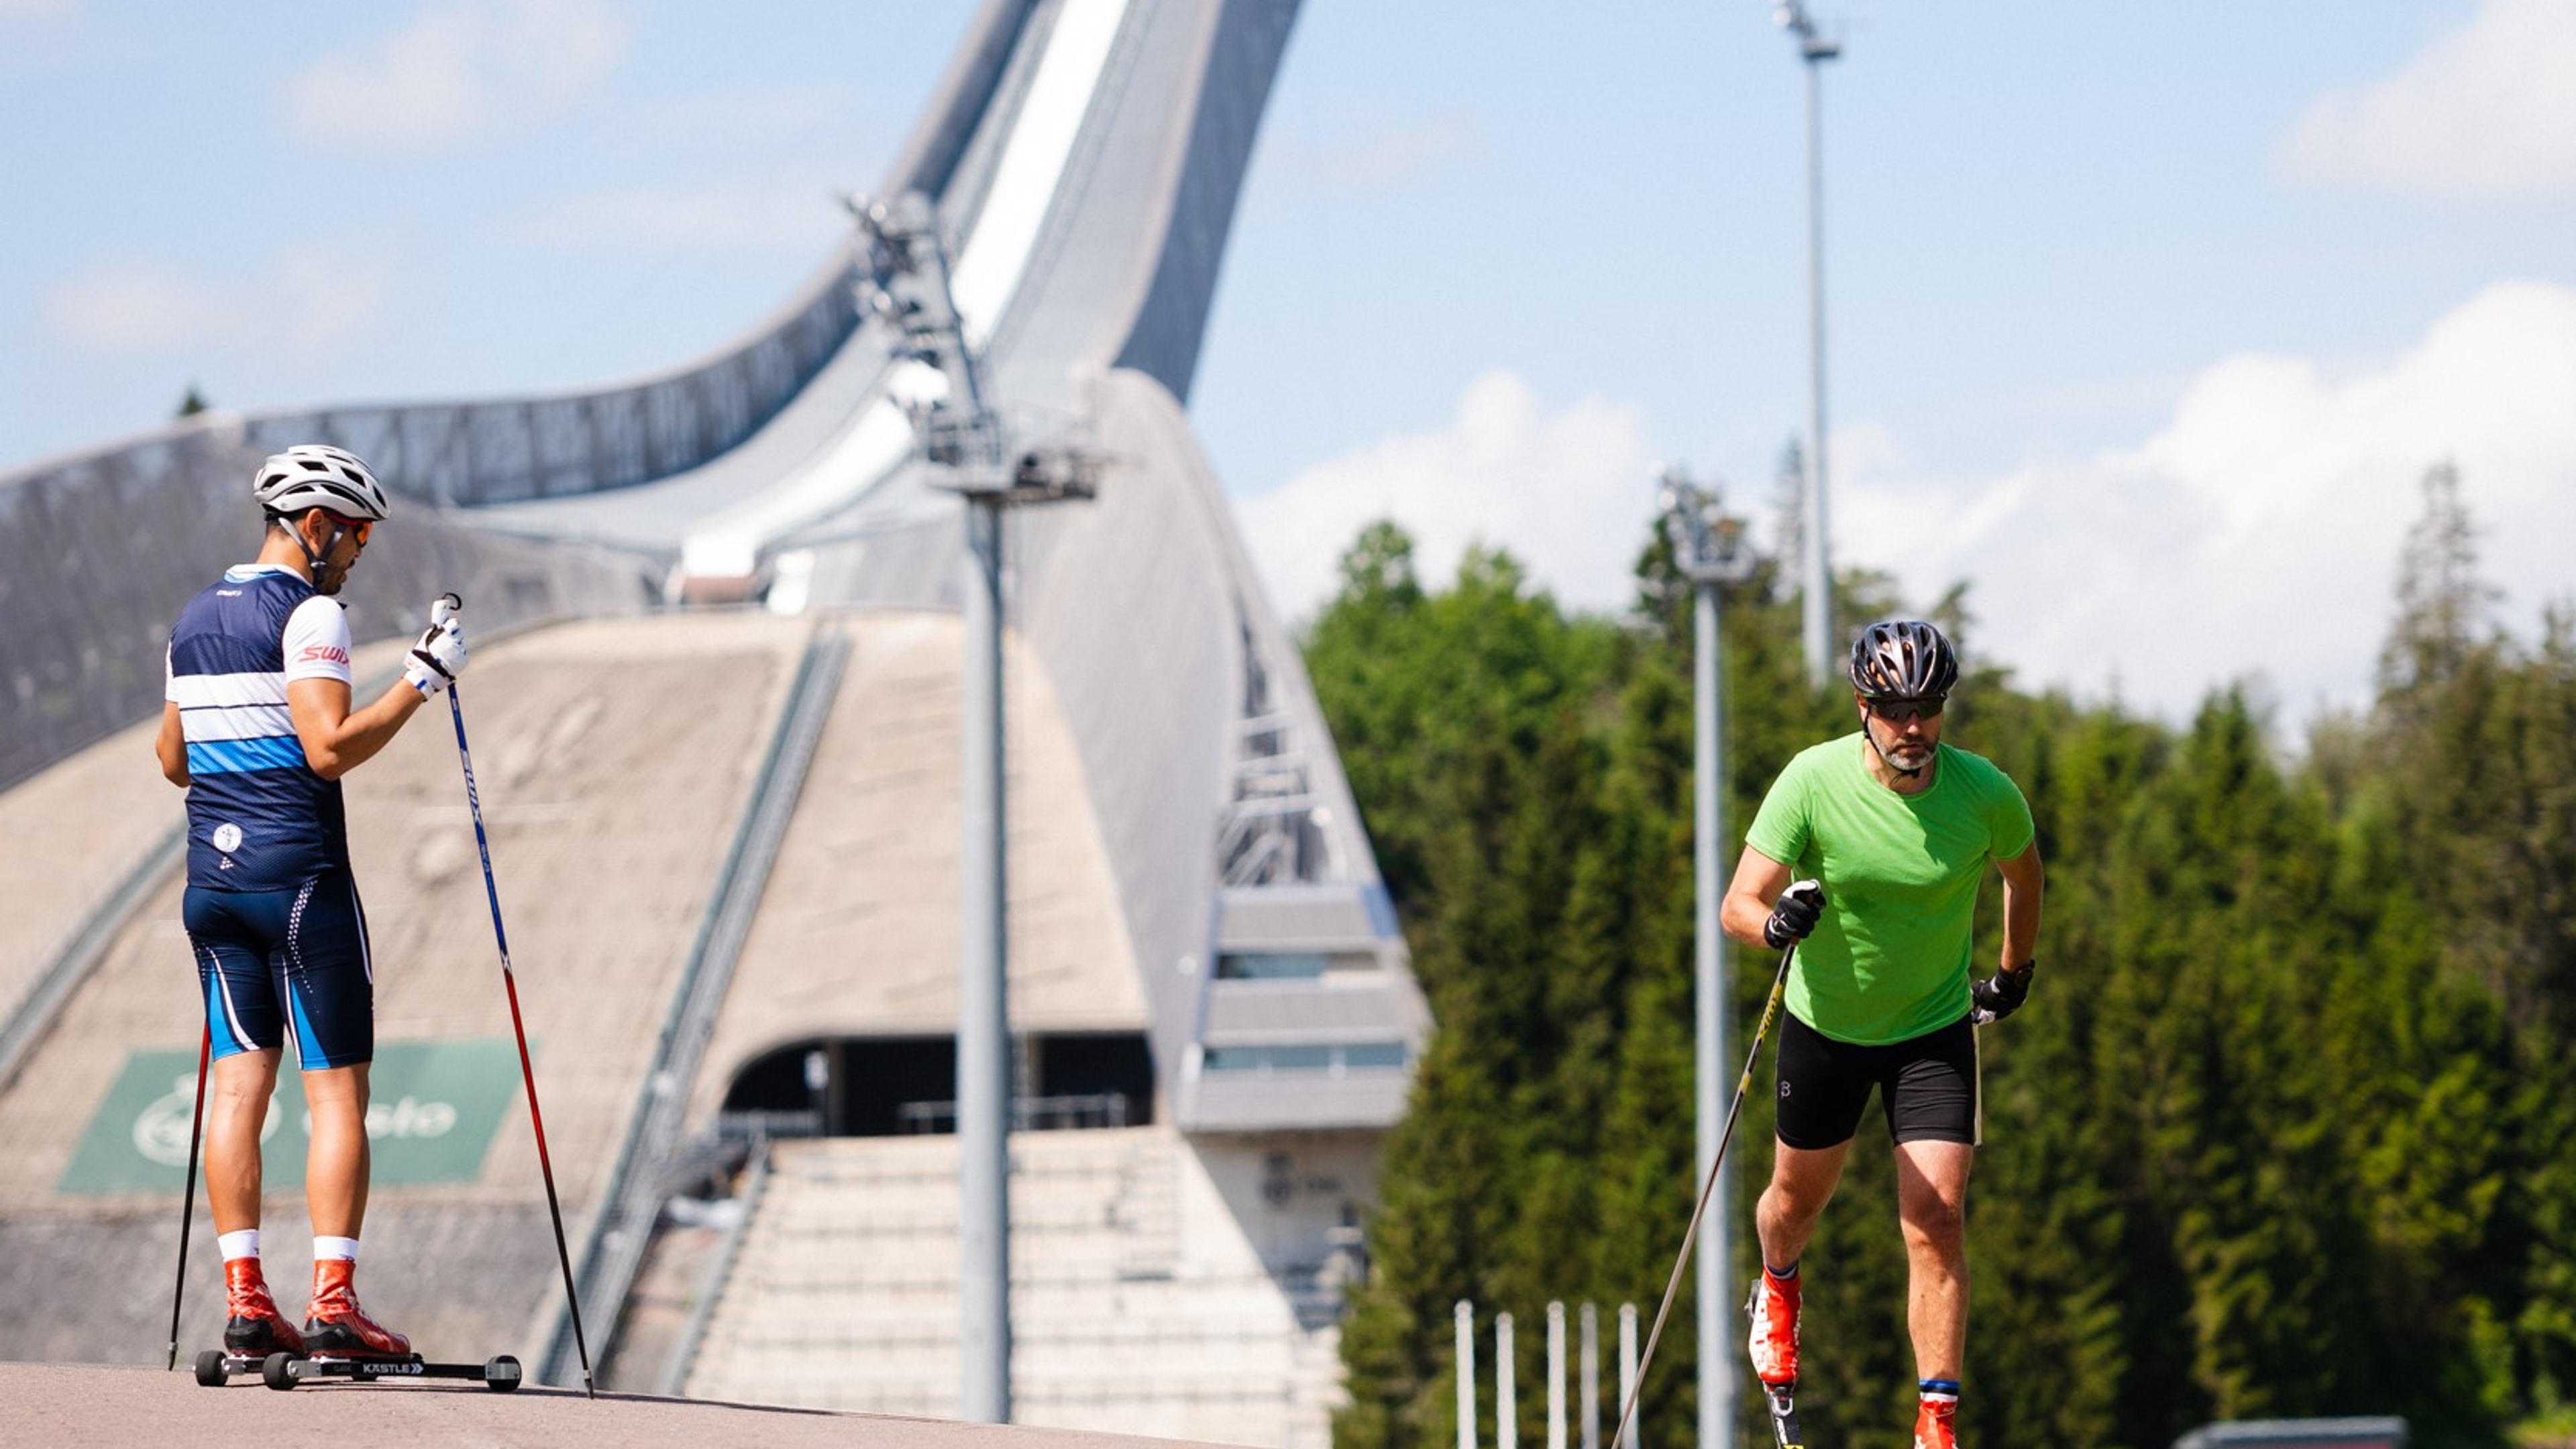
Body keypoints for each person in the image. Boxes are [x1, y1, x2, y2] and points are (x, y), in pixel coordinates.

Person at [155, 444, 469, 1358]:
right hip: (299, 880)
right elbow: (329, 748)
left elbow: (173, 761)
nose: (358, 553)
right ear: (317, 524)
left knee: (237, 1085)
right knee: (336, 1096)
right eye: (357, 536)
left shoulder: (191, 616)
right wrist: (422, 679)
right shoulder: (310, 614)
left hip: (211, 889)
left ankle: (248, 1302)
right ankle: (334, 1304)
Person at [1719, 619, 2043, 1449]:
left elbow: (2024, 872)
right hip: (1825, 1029)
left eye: (1929, 706)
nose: (1914, 727)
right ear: (1865, 707)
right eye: (1896, 708)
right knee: (1795, 1204)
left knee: (1936, 1221)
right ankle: (1778, 1288)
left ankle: (1936, 1425)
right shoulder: (1811, 780)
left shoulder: (1983, 793)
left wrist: (2012, 973)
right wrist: (1776, 924)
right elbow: (1738, 906)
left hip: (1931, 1035)